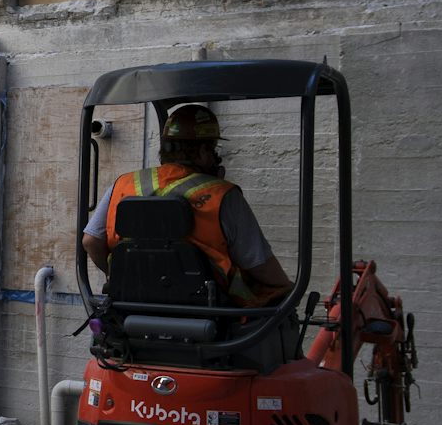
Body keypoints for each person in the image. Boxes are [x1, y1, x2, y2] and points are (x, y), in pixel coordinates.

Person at [81, 104, 292, 308]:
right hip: (210, 310)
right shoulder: (223, 195)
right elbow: (260, 266)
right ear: (201, 151)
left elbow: (90, 241)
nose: (214, 157)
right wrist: (286, 287)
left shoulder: (123, 184)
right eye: (212, 150)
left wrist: (118, 276)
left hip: (131, 304)